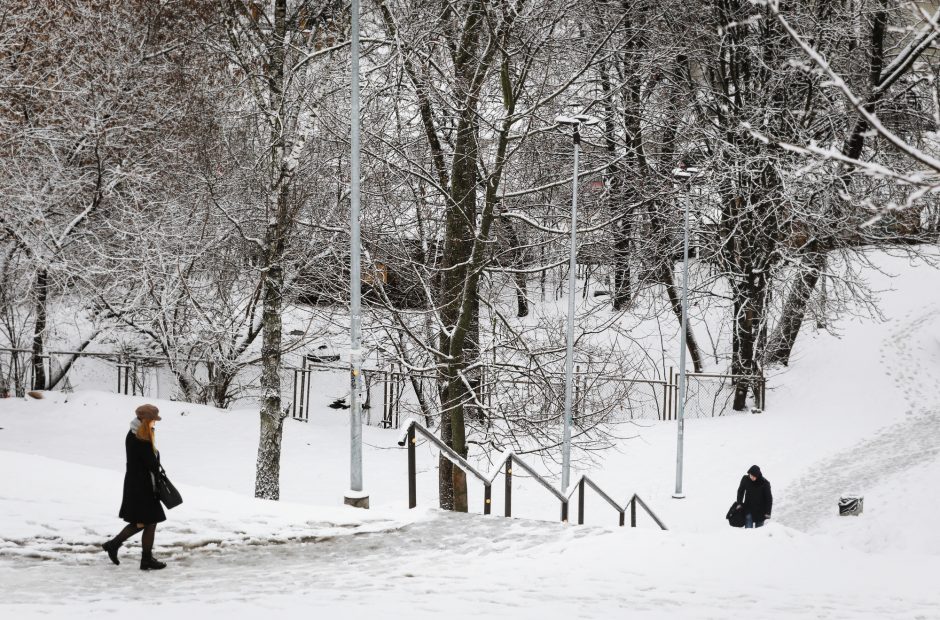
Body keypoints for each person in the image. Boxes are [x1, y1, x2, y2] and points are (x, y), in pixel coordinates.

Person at [101, 404, 168, 570]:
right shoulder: (140, 437)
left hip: (139, 484)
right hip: (141, 487)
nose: (155, 423)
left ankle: (128, 551)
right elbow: (151, 463)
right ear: (146, 420)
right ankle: (117, 546)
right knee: (147, 521)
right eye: (153, 420)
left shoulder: (137, 433)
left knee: (148, 521)